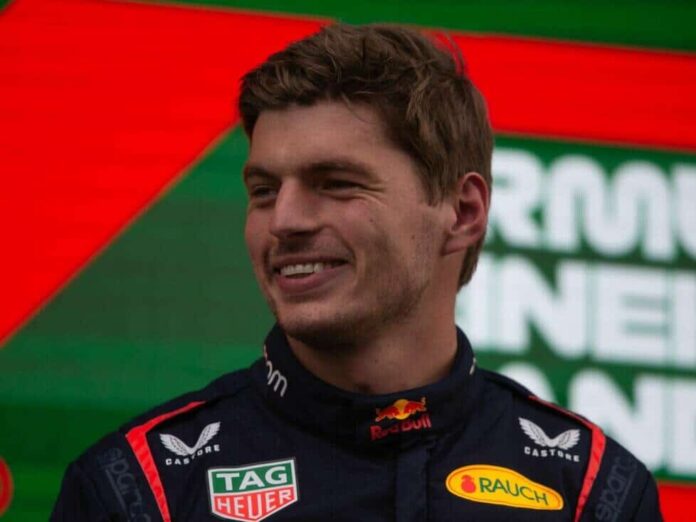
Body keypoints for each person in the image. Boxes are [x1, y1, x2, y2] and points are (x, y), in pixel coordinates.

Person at [51, 24, 662, 521]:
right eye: (263, 190)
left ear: (462, 212)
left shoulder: (594, 491)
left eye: (336, 183)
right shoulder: (139, 489)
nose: (284, 221)